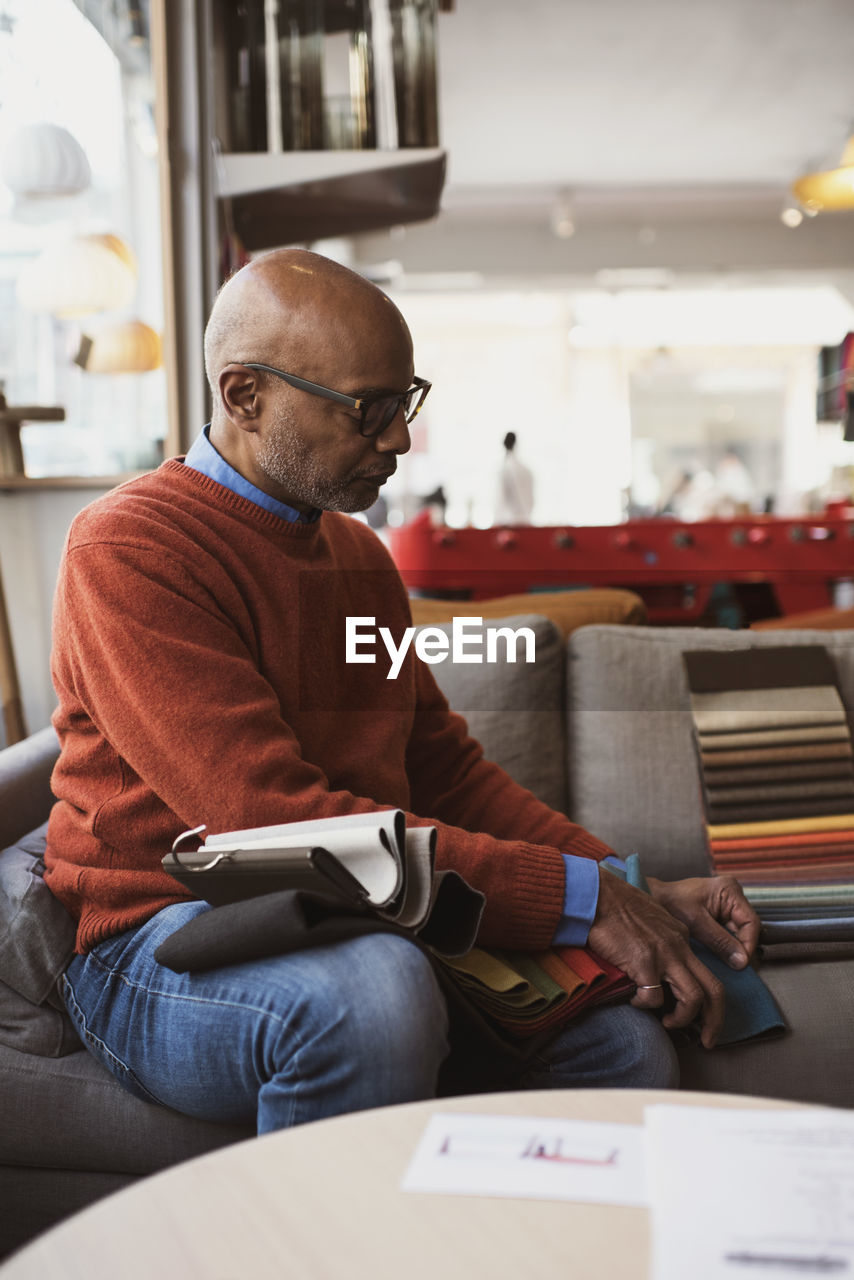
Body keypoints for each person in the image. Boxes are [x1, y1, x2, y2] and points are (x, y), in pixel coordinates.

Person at [45, 249, 759, 1135]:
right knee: (375, 997)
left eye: (405, 401)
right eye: (368, 411)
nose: (399, 440)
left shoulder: (357, 557)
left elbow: (444, 770)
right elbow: (269, 823)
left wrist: (624, 882)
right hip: (160, 939)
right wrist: (577, 900)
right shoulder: (131, 550)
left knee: (623, 1048)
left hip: (355, 919)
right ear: (243, 396)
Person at [494, 430, 535, 525]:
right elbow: (531, 500)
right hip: (524, 520)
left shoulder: (503, 470)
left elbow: (500, 499)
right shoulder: (526, 470)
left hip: (506, 522)